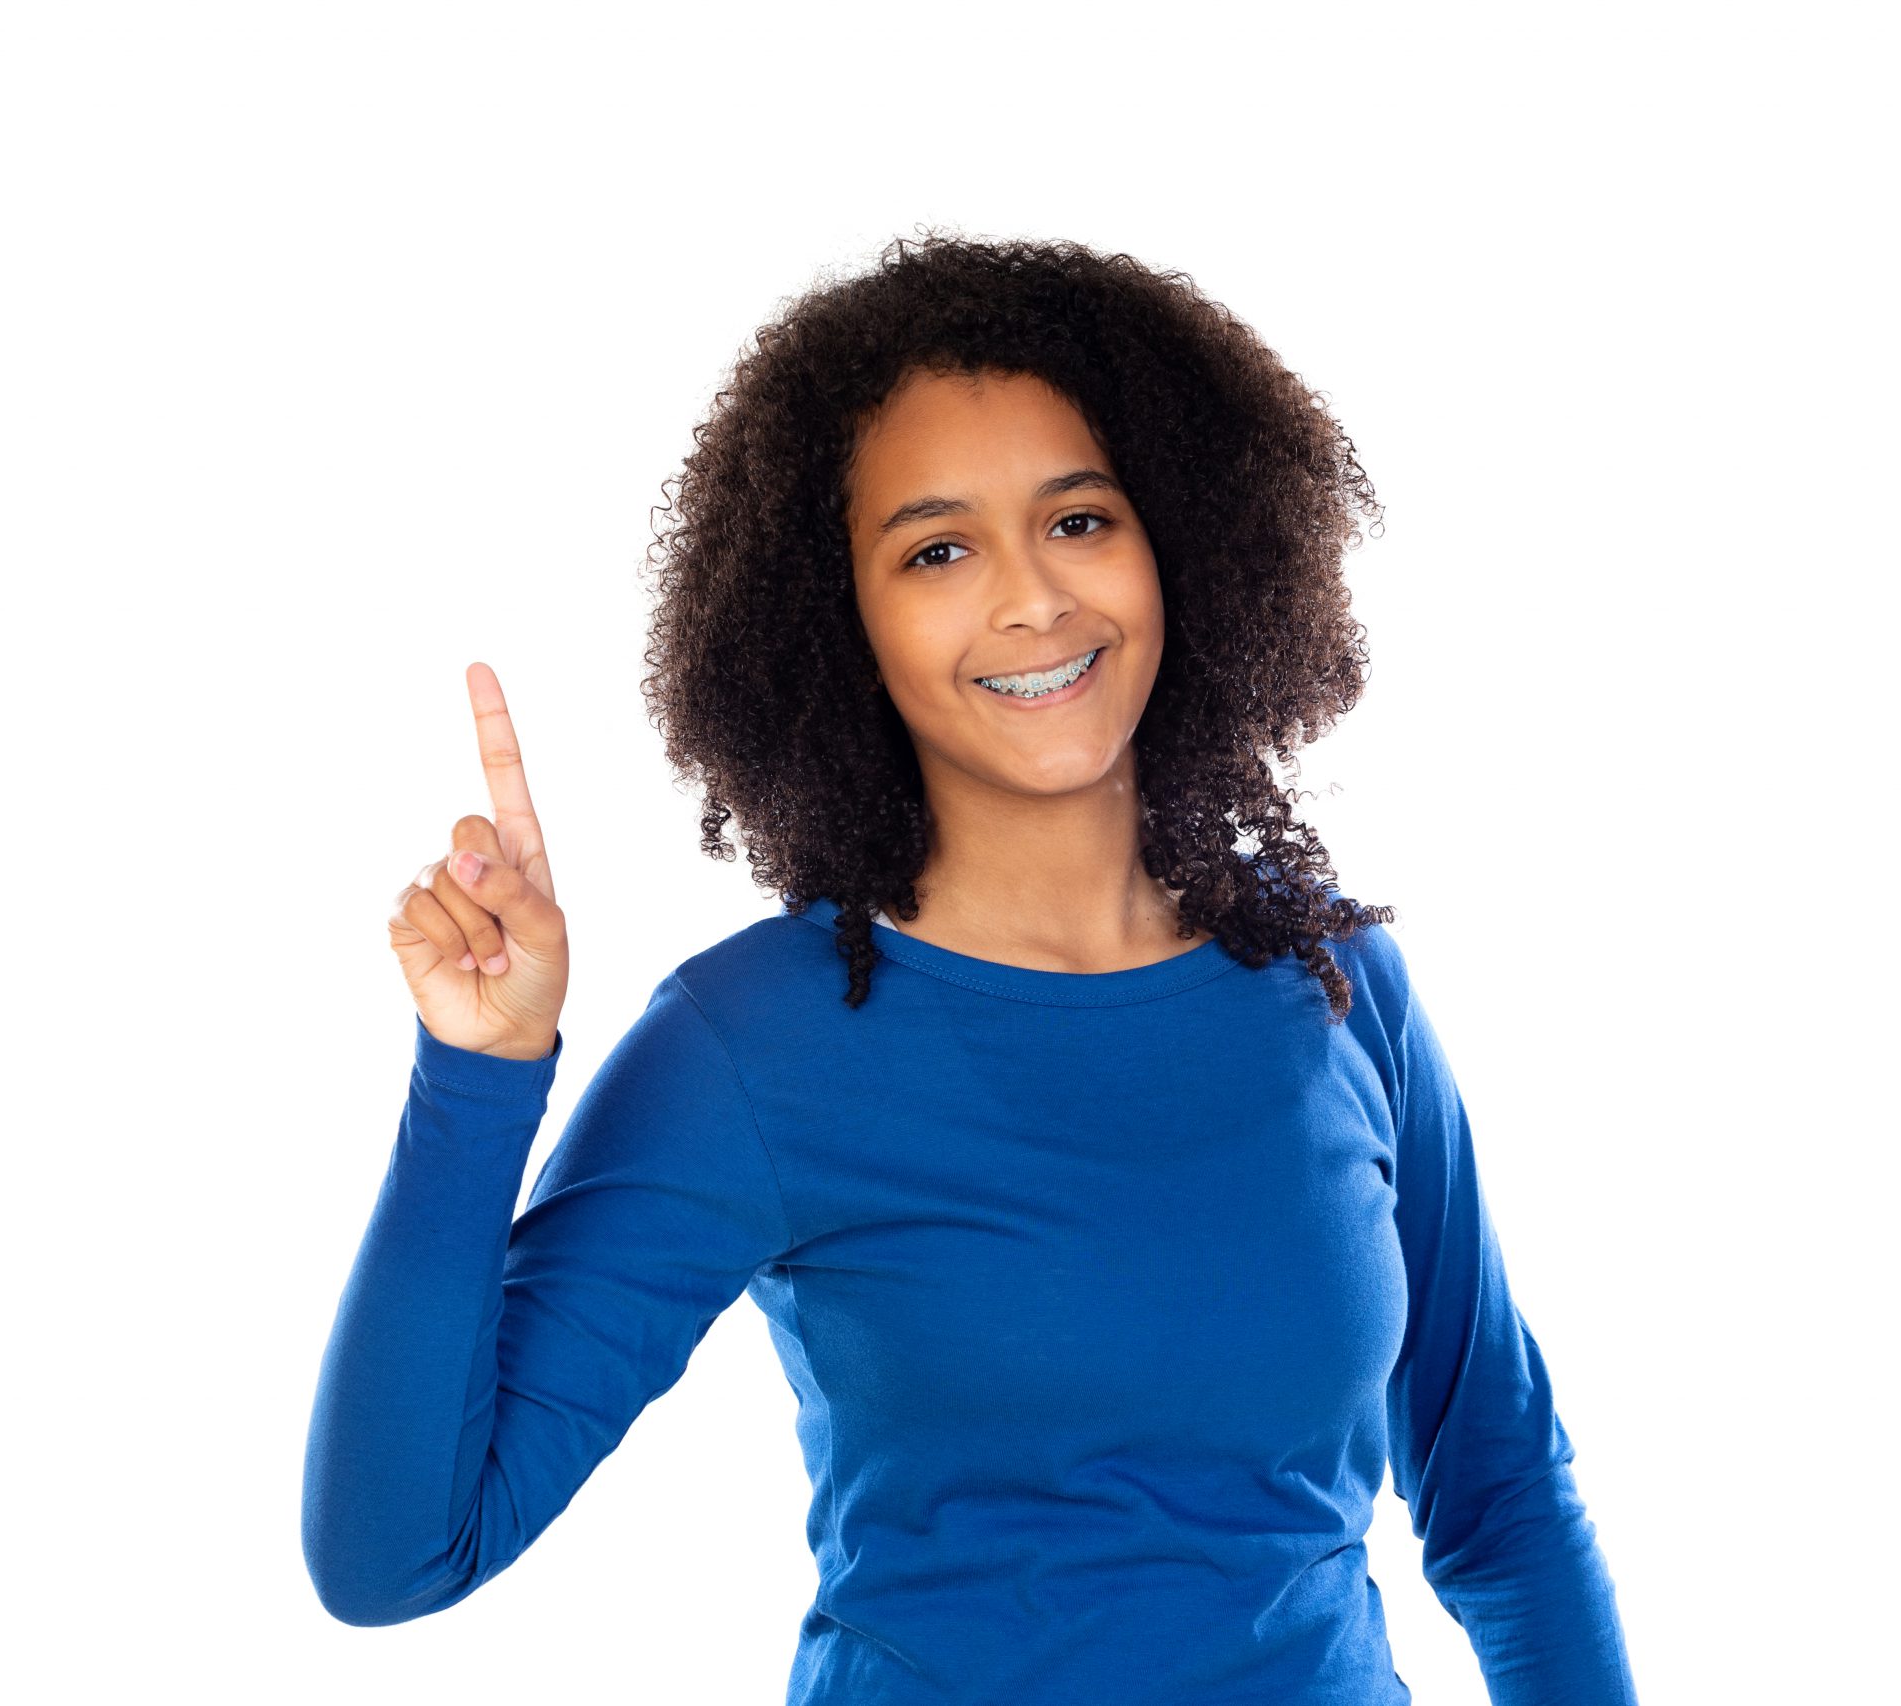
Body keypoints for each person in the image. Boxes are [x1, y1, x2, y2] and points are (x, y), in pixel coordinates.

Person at [300, 233, 1639, 1704]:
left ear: (1175, 538)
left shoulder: (1333, 982)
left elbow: (1503, 1495)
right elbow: (394, 1554)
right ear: (838, 624)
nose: (1031, 599)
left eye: (1080, 518)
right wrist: (477, 1079)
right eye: (937, 549)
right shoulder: (757, 1042)